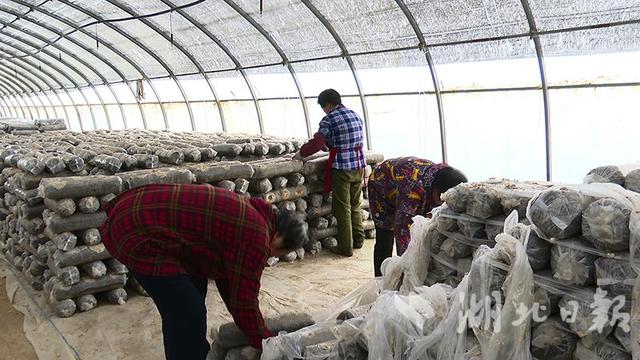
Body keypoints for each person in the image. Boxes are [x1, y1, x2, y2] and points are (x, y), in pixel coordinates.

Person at [98, 183, 308, 360]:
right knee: (187, 310)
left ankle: (195, 352)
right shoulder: (257, 235)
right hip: (138, 230)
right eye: (280, 250)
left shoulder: (257, 215)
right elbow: (244, 301)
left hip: (140, 214)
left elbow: (230, 284)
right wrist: (266, 342)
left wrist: (252, 329)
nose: (273, 254)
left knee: (193, 293)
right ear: (280, 235)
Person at [294, 89, 366, 257]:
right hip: (358, 165)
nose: (324, 111)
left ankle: (345, 248)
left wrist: (302, 153)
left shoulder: (329, 119)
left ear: (328, 105)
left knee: (343, 208)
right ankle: (358, 239)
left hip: (342, 167)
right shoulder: (355, 115)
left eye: (323, 107)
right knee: (355, 204)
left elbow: (318, 143)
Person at [369, 157, 467, 276]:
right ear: (436, 191)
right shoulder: (412, 191)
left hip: (404, 182)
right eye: (443, 200)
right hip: (382, 184)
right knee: (385, 237)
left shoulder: (445, 178)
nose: (444, 204)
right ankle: (381, 281)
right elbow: (403, 231)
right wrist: (407, 268)